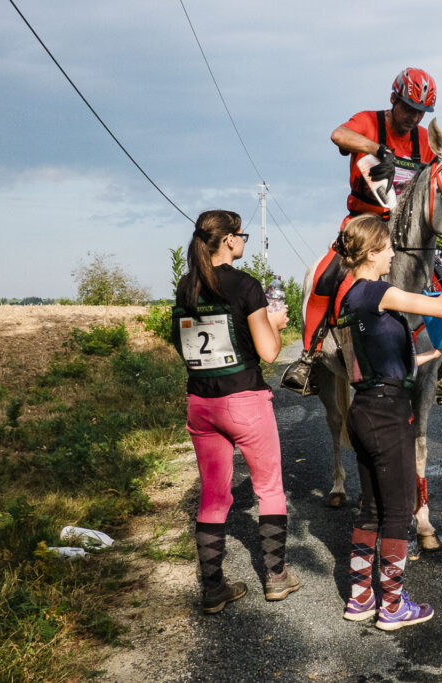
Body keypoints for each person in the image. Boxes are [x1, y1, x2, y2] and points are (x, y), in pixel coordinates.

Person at [333, 214, 442, 630]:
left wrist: (423, 358)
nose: (393, 255)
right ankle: (394, 606)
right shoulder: (379, 291)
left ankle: (361, 598)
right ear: (369, 253)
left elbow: (371, 361)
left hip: (365, 407)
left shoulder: (351, 298)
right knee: (399, 511)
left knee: (369, 508)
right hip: (387, 414)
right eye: (387, 248)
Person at [172, 210, 300, 613]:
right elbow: (268, 353)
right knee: (270, 489)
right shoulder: (245, 285)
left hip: (200, 403)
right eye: (241, 234)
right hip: (245, 401)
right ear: (228, 240)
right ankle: (276, 578)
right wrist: (277, 324)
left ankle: (212, 589)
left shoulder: (186, 285)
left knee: (212, 496)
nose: (243, 239)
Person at [281, 68, 438, 393]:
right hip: (362, 225)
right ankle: (308, 358)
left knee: (441, 280)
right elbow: (338, 135)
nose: (413, 117)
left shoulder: (422, 139)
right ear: (394, 98)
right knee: (326, 276)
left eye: (420, 112)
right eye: (408, 107)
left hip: (406, 232)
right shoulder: (370, 121)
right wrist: (377, 149)